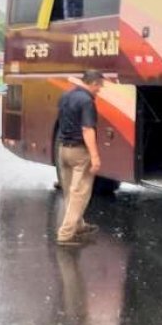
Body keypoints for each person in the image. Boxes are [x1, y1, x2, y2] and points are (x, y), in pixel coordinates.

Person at [54, 70, 105, 246]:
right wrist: (95, 156)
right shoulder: (86, 101)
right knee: (80, 194)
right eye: (100, 86)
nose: (100, 89)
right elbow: (87, 129)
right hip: (79, 152)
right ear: (93, 83)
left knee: (70, 191)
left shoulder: (65, 96)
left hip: (62, 150)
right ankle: (66, 234)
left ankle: (79, 224)